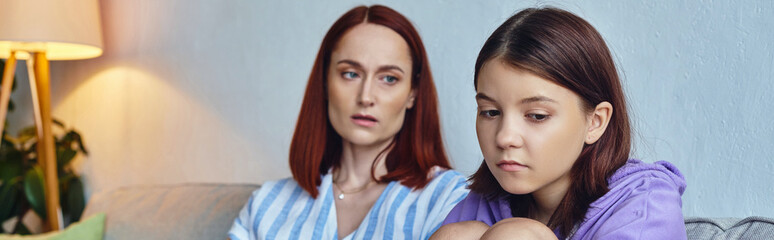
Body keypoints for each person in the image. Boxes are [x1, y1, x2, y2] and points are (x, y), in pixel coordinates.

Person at [432, 7, 687, 240]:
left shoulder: (644, 205)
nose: (504, 137)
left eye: (537, 116)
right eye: (490, 112)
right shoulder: (482, 205)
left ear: (595, 122)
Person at [229, 5, 468, 240]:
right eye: (350, 74)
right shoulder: (267, 203)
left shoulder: (447, 197)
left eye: (388, 78)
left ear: (412, 93)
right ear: (324, 82)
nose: (365, 97)